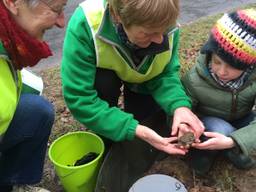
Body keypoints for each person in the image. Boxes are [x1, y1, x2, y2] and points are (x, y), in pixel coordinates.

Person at [0, 0, 67, 191]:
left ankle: (14, 182)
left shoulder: (6, 38)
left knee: (37, 111)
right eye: (56, 9)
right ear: (13, 3)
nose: (62, 22)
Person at [182, 8, 256, 176]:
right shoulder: (194, 79)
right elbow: (182, 110)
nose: (222, 72)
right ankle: (204, 153)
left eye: (233, 67)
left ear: (249, 66)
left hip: (240, 116)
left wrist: (232, 141)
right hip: (207, 123)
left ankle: (232, 147)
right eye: (217, 62)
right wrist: (185, 130)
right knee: (220, 128)